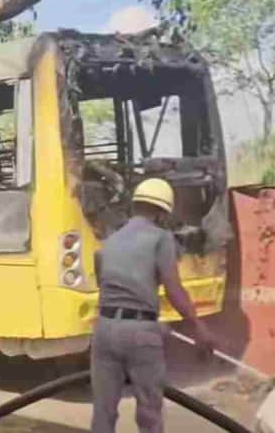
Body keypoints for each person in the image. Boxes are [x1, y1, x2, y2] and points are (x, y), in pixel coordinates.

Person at [91, 178, 216, 433]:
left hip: (103, 330)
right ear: (162, 213)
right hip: (140, 334)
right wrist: (198, 327)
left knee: (103, 413)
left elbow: (106, 284)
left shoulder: (110, 240)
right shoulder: (161, 238)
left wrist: (145, 320)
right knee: (149, 414)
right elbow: (173, 288)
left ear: (135, 205)